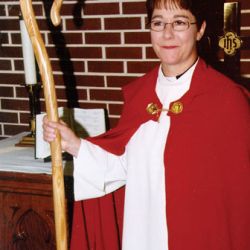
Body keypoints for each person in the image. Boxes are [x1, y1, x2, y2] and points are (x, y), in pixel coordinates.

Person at [43, 0, 250, 249]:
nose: (167, 33)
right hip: (143, 235)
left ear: (200, 29)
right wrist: (75, 144)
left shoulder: (227, 100)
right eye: (158, 22)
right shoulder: (140, 95)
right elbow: (122, 167)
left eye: (180, 22)